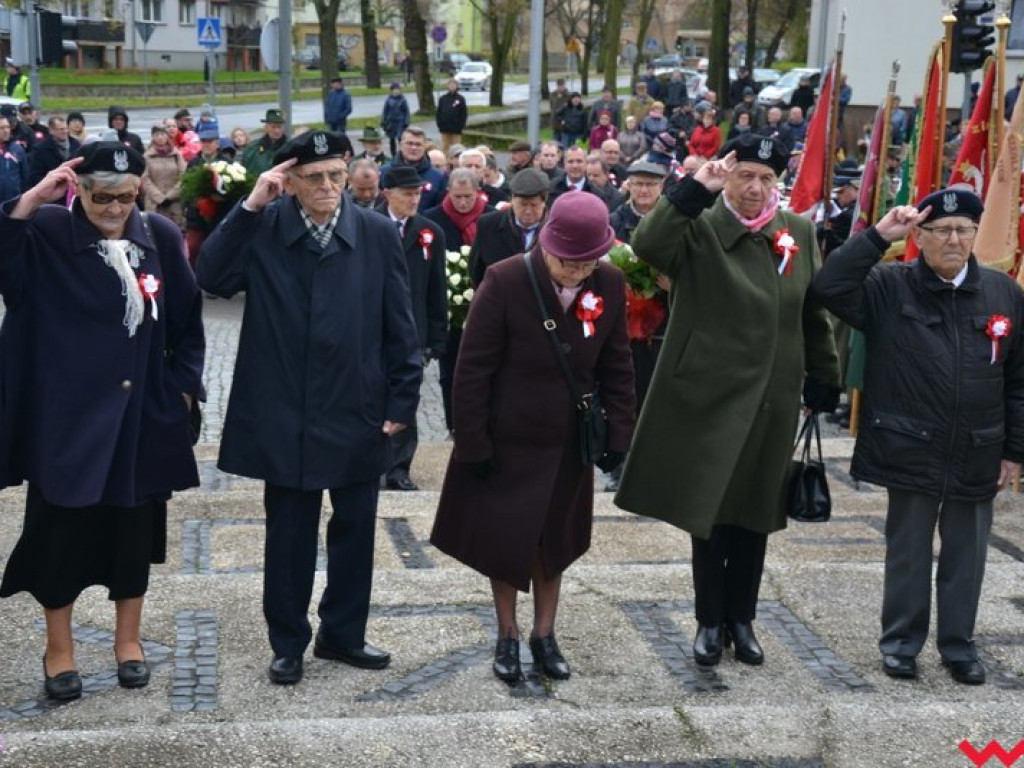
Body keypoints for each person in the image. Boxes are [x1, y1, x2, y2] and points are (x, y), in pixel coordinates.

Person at [196, 130, 422, 686]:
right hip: (286, 413)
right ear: (290, 181)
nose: (327, 187)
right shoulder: (265, 225)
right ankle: (288, 641)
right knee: (289, 533)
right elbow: (211, 277)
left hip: (358, 408)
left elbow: (401, 323)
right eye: (314, 177)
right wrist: (250, 204)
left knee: (355, 531)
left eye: (335, 175)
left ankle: (342, 634)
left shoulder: (372, 232)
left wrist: (401, 401)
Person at [615, 134, 840, 669]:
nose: (756, 188)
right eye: (746, 176)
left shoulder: (799, 232)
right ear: (729, 178)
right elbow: (648, 244)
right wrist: (695, 189)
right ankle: (709, 620)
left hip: (772, 393)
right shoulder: (698, 227)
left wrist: (823, 376)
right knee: (709, 508)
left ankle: (743, 618)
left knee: (756, 509)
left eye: (767, 179)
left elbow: (812, 310)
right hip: (708, 393)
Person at [0, 143, 204, 701]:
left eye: (126, 195)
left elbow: (188, 320)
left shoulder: (158, 237)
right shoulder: (44, 232)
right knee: (58, 537)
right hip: (65, 420)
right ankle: (59, 649)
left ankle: (127, 643)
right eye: (101, 196)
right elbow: (8, 282)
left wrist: (183, 390)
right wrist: (28, 201)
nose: (114, 207)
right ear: (79, 191)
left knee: (131, 536)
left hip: (139, 418)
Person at [811, 188, 1024, 686]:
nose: (954, 239)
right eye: (941, 231)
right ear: (919, 237)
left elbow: (1018, 378)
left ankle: (959, 646)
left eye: (964, 230)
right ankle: (902, 643)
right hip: (911, 442)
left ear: (975, 235)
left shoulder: (1003, 292)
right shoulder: (889, 285)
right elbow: (829, 287)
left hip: (979, 445)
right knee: (908, 551)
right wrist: (877, 236)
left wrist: (1015, 450)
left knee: (967, 555)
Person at [430, 192, 635, 682]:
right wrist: (473, 443)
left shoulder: (608, 282)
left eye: (588, 263)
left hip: (568, 439)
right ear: (548, 244)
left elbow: (618, 365)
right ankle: (507, 633)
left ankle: (545, 634)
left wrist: (620, 434)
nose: (578, 273)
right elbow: (472, 370)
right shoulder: (505, 279)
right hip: (510, 438)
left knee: (556, 540)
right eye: (569, 263)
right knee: (506, 539)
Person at [377, 165, 448, 491]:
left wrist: (436, 338)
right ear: (387, 193)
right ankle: (370, 462)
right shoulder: (369, 225)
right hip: (372, 329)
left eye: (417, 193)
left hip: (412, 332)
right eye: (407, 194)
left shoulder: (429, 231)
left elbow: (436, 290)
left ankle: (399, 468)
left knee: (405, 399)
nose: (414, 199)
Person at [469, 168, 549, 286]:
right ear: (512, 200)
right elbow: (476, 271)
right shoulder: (488, 225)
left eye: (534, 205)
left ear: (544, 202)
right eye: (522, 204)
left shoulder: (556, 229)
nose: (528, 211)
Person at [142, 125, 187, 231]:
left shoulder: (176, 155)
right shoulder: (147, 156)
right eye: (157, 135)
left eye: (162, 134)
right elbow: (145, 179)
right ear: (153, 137)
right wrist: (160, 198)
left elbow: (184, 176)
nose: (160, 137)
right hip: (154, 204)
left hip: (174, 203)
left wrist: (170, 196)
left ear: (167, 136)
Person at [29, 116, 80, 189]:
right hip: (53, 191)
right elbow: (35, 176)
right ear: (51, 131)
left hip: (73, 189)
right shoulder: (40, 150)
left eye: (66, 128)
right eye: (61, 129)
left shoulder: (76, 144)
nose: (65, 132)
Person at [242, 109, 288, 177]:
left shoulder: (289, 148)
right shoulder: (253, 149)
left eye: (279, 127)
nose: (277, 131)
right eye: (273, 127)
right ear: (266, 128)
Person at [0, 114, 28, 203]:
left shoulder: (17, 149)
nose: (6, 131)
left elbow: (25, 176)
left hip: (13, 201)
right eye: (1, 128)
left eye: (7, 127)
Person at [436, 78, 469, 153]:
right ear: (447, 86)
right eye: (450, 84)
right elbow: (439, 112)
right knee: (445, 146)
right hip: (445, 127)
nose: (452, 86)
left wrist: (461, 125)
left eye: (454, 84)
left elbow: (463, 113)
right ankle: (445, 161)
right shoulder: (443, 99)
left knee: (457, 147)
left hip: (456, 128)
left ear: (456, 86)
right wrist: (440, 124)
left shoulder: (460, 99)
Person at [380, 81, 411, 158]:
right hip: (390, 122)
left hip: (400, 122)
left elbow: (406, 112)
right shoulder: (388, 100)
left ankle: (402, 154)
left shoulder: (403, 100)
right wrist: (383, 121)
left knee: (400, 138)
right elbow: (385, 111)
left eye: (397, 89)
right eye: (394, 89)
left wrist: (406, 121)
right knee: (391, 139)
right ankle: (393, 155)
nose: (396, 91)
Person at [549, 79, 571, 146]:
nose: (560, 87)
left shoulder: (569, 95)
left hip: (564, 122)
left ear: (564, 85)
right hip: (555, 121)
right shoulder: (553, 94)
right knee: (555, 143)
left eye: (562, 85)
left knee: (564, 143)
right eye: (559, 85)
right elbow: (551, 106)